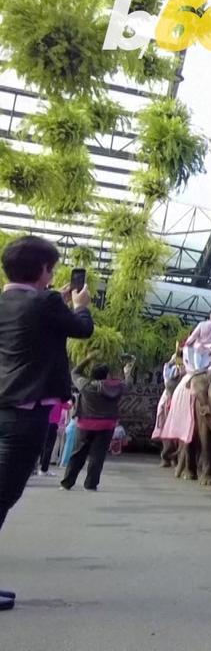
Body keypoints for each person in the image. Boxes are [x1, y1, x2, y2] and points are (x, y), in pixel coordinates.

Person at [0, 236, 94, 609]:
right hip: (26, 414)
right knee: (3, 495)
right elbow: (82, 330)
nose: (52, 275)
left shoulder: (7, 301)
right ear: (42, 270)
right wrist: (81, 305)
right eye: (51, 268)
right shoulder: (47, 302)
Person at [60, 354, 133, 491]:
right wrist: (127, 372)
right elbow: (128, 384)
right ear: (106, 375)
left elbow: (74, 372)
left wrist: (87, 358)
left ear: (91, 374)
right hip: (107, 425)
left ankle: (67, 483)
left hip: (85, 424)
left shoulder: (86, 385)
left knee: (78, 454)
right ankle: (90, 484)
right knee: (97, 456)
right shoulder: (115, 387)